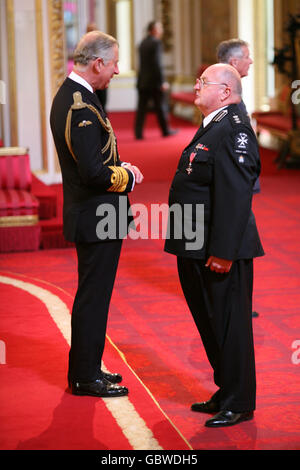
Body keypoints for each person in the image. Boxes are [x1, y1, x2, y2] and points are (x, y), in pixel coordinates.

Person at [164, 64, 264, 427]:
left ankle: (240, 401)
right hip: (196, 243)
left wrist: (222, 251)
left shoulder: (234, 129)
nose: (195, 85)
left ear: (224, 91)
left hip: (219, 249)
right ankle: (227, 389)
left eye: (202, 82)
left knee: (230, 324)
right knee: (209, 320)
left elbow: (236, 195)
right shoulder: (215, 123)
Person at [50, 30, 143, 397]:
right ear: (97, 63)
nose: (117, 71)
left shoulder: (80, 97)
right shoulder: (78, 104)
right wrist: (128, 178)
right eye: (115, 63)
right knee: (93, 297)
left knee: (95, 296)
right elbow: (91, 172)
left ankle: (88, 369)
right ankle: (85, 376)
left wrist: (118, 165)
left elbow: (96, 157)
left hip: (96, 214)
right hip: (96, 216)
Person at [217, 39, 261, 318]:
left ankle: (240, 301)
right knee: (237, 237)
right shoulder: (229, 100)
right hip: (236, 185)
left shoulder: (234, 97)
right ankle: (237, 302)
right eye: (247, 56)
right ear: (234, 63)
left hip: (239, 183)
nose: (251, 61)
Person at [134, 21, 177, 139]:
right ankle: (165, 130)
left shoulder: (142, 43)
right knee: (161, 107)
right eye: (160, 28)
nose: (161, 30)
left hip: (142, 81)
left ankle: (138, 133)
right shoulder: (156, 43)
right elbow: (157, 64)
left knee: (141, 109)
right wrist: (162, 81)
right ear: (153, 30)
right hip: (154, 82)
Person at [86, 22, 108, 113]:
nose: (92, 32)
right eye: (90, 30)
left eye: (94, 30)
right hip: (89, 81)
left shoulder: (103, 46)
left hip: (101, 79)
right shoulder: (83, 47)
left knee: (102, 106)